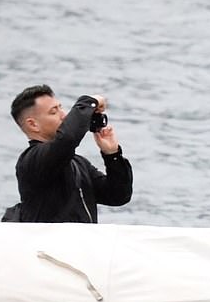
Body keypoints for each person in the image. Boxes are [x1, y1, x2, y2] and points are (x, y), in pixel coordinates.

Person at [10, 84, 132, 223]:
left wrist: (112, 155)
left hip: (82, 243)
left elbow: (118, 195)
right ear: (33, 124)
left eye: (61, 107)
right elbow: (68, 138)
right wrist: (90, 101)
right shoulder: (32, 160)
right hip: (49, 244)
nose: (64, 115)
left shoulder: (78, 163)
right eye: (54, 112)